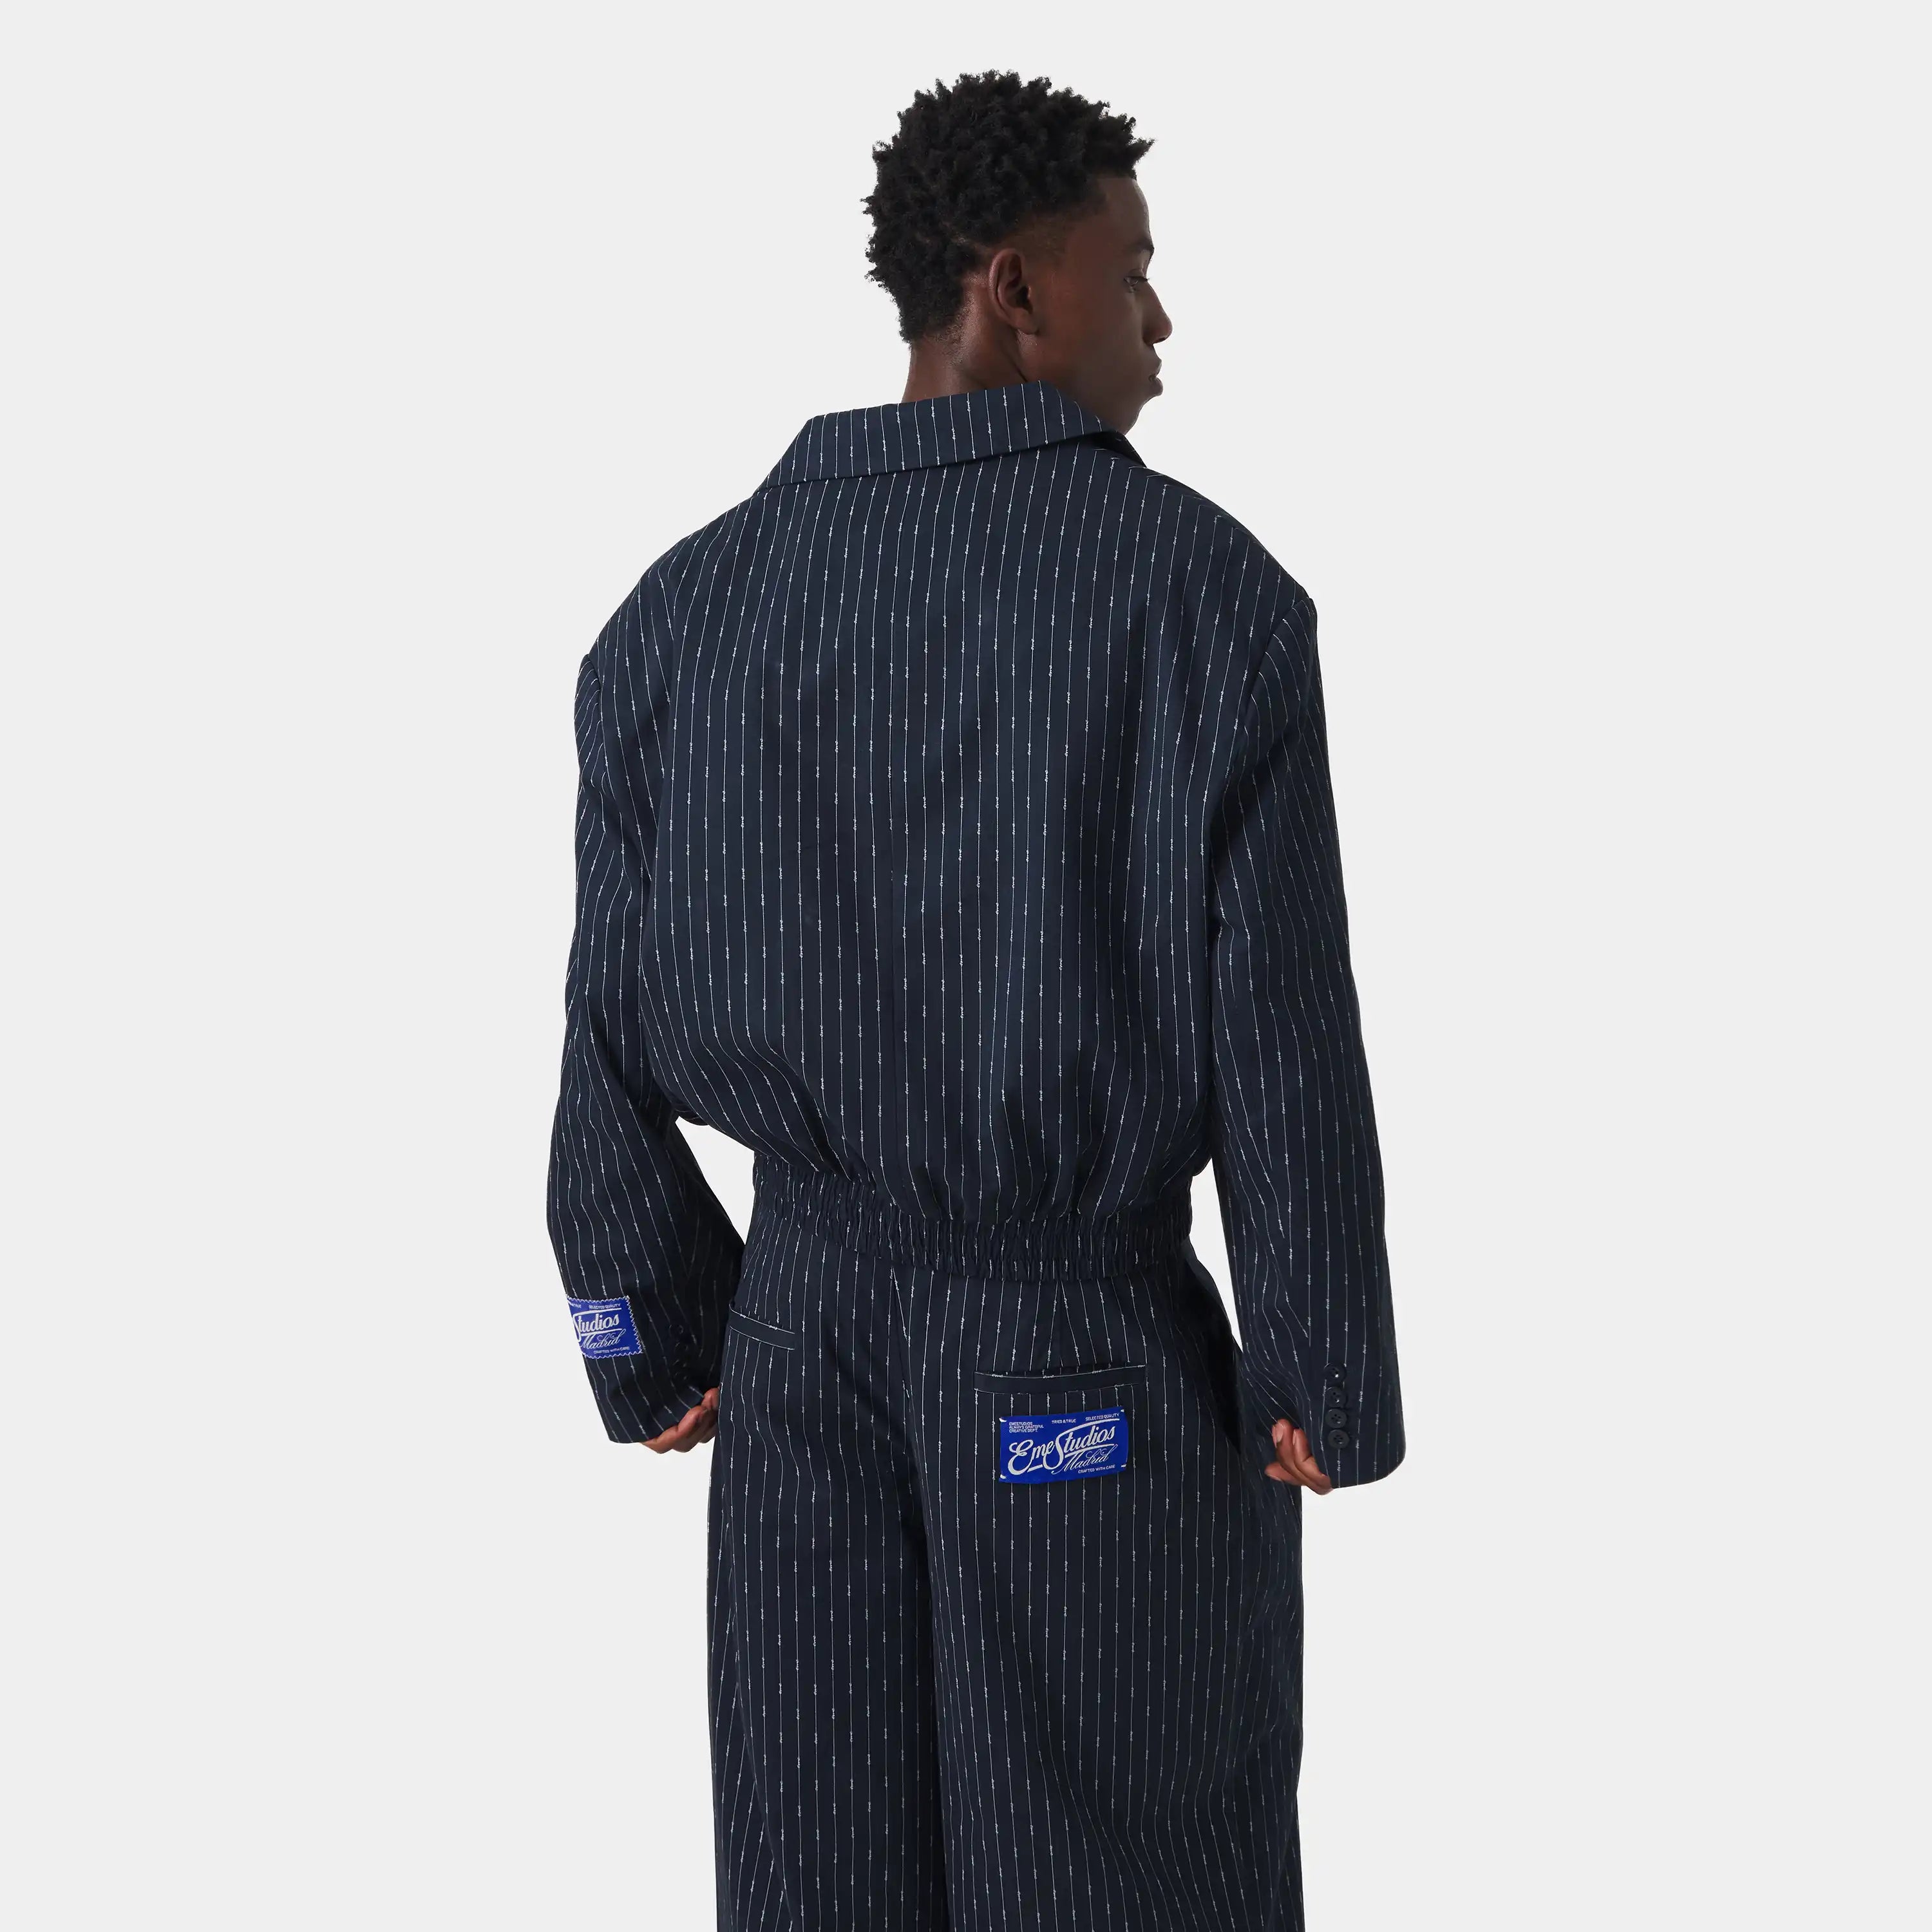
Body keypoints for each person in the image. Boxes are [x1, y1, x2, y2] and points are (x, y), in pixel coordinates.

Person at [547, 68, 1404, 1932]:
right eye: (1133, 270)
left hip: (800, 1350)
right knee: (1124, 1870)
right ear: (1015, 288)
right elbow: (1281, 1034)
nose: (1162, 319)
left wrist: (648, 1322)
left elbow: (604, 1012)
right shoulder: (1207, 604)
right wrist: (1320, 1364)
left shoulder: (682, 614)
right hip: (1076, 1348)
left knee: (820, 1866)